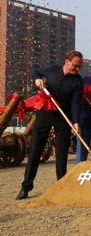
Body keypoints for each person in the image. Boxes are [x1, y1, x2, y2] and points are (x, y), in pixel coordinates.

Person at [17, 50, 84, 200]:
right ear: (67, 62)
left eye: (80, 67)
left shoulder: (78, 81)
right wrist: (37, 80)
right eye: (75, 66)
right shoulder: (52, 69)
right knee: (35, 149)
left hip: (63, 115)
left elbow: (76, 103)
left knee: (61, 152)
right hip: (46, 112)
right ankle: (26, 186)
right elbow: (36, 72)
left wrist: (76, 122)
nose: (77, 69)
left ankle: (61, 185)